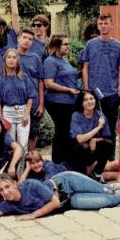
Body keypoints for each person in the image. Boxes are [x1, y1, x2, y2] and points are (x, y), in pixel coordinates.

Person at [81, 14, 120, 140]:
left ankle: (110, 152)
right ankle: (94, 152)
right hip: (93, 92)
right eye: (100, 24)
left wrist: (119, 91)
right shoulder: (90, 44)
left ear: (111, 25)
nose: (103, 26)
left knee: (110, 127)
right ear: (98, 26)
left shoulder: (119, 46)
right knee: (92, 126)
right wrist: (86, 88)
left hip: (111, 93)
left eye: (106, 23)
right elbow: (85, 67)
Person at [43, 34, 80, 164]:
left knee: (66, 132)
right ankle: (58, 162)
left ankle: (66, 161)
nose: (68, 46)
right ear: (57, 46)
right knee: (61, 132)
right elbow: (48, 83)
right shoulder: (50, 61)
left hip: (69, 102)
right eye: (65, 44)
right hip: (57, 102)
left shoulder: (64, 60)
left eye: (68, 44)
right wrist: (68, 90)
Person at [0, 49, 36, 151]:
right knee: (10, 144)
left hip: (22, 111)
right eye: (9, 57)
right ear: (4, 61)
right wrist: (1, 118)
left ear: (18, 61)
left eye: (14, 57)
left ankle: (22, 162)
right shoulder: (0, 80)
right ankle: (12, 162)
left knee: (23, 143)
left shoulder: (23, 77)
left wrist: (26, 114)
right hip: (8, 112)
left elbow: (30, 97)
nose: (11, 60)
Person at [70, 90, 113, 177]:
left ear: (95, 100)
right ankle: (84, 171)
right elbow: (80, 139)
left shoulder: (100, 115)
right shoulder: (76, 115)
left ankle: (97, 173)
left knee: (109, 143)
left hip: (94, 147)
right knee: (84, 147)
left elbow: (107, 137)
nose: (89, 102)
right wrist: (98, 127)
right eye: (85, 100)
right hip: (80, 148)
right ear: (81, 103)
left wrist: (95, 139)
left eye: (91, 98)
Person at [16, 29, 45, 151]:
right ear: (18, 38)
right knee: (16, 134)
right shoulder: (11, 56)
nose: (27, 41)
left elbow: (41, 81)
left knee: (33, 133)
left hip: (34, 103)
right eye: (24, 37)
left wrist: (41, 104)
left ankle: (31, 157)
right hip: (17, 102)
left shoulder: (36, 58)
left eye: (30, 39)